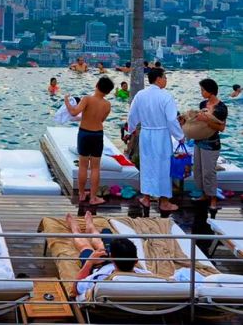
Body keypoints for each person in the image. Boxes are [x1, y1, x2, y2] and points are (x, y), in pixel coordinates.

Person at [127, 67, 185, 213]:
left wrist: (130, 129)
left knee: (147, 165)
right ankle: (164, 202)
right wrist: (180, 136)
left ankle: (146, 198)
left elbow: (132, 115)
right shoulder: (166, 96)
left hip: (146, 133)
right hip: (161, 135)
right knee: (164, 167)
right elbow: (172, 120)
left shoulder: (140, 95)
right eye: (164, 77)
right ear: (158, 79)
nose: (166, 80)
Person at [68, 212, 145, 297]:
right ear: (136, 261)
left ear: (111, 258)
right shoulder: (147, 276)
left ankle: (76, 229)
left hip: (98, 266)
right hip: (118, 262)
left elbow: (74, 290)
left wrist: (90, 262)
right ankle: (91, 227)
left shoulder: (99, 280)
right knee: (102, 246)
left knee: (86, 247)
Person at [64, 77, 115, 205]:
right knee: (95, 168)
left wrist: (66, 101)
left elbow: (74, 112)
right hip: (97, 134)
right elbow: (101, 120)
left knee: (83, 165)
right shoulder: (107, 104)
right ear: (108, 92)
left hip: (84, 133)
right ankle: (93, 197)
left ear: (96, 85)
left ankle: (81, 194)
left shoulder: (87, 99)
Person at [193, 79, 227, 217]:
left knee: (209, 172)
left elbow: (221, 127)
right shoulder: (202, 104)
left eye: (203, 90)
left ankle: (213, 199)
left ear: (210, 90)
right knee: (198, 171)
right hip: (199, 142)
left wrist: (207, 120)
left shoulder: (221, 108)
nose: (201, 92)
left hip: (211, 144)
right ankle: (204, 195)